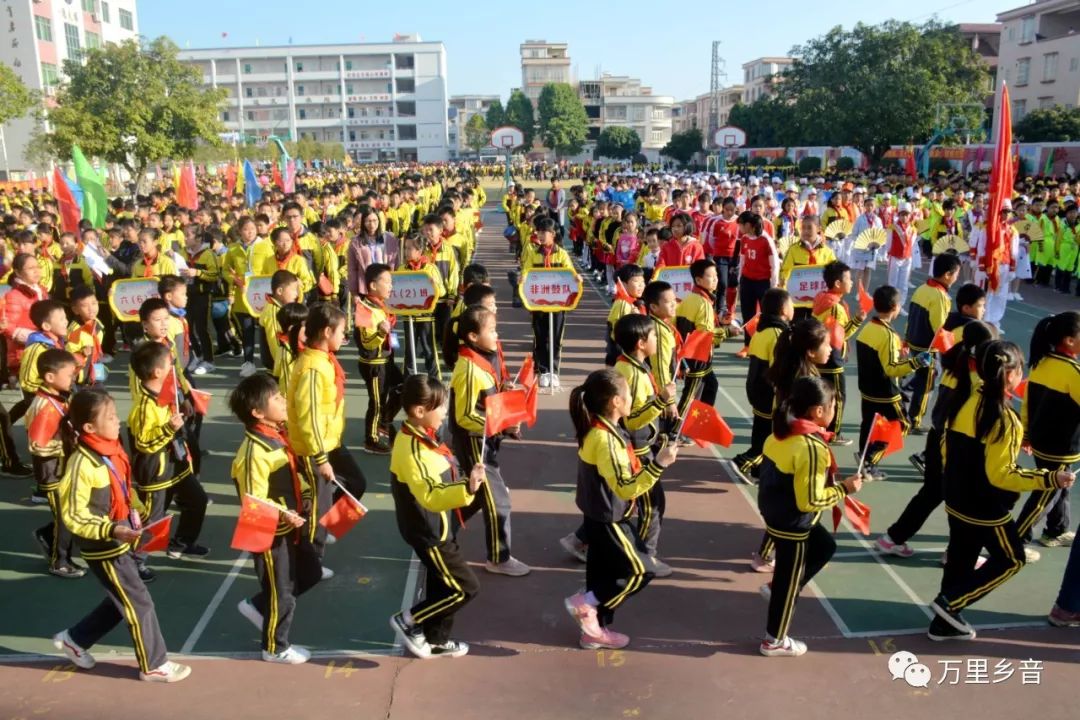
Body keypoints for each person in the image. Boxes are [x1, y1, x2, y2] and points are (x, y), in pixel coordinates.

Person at [930, 340, 1075, 641]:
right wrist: (1050, 478)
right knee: (1012, 558)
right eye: (1020, 368)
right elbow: (1003, 475)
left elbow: (946, 448)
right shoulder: (1005, 419)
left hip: (955, 495)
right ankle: (950, 604)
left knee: (962, 555)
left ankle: (943, 624)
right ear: (1010, 374)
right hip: (984, 506)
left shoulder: (964, 400)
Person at [53, 388, 192, 682]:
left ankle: (76, 639)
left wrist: (137, 512)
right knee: (138, 600)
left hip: (120, 533)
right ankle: (154, 664)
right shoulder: (82, 463)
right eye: (111, 417)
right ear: (89, 427)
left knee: (124, 598)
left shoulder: (112, 450)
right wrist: (112, 528)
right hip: (103, 543)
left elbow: (125, 490)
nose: (119, 421)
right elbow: (74, 515)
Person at [564, 367, 679, 650]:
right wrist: (658, 464)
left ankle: (594, 630)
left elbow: (637, 419)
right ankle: (586, 605)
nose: (632, 399)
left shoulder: (605, 426)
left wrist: (662, 401)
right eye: (628, 395)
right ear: (616, 401)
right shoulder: (605, 439)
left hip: (600, 514)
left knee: (601, 575)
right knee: (641, 571)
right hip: (610, 518)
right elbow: (626, 487)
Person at [757, 376, 863, 656]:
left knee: (824, 545)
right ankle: (774, 640)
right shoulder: (811, 448)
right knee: (786, 585)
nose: (835, 411)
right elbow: (810, 501)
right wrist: (845, 488)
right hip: (792, 522)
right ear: (818, 411)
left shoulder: (781, 432)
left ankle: (784, 584)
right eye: (832, 406)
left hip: (775, 512)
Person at [877, 321, 996, 559]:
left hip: (936, 437)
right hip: (957, 444)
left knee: (931, 493)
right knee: (964, 500)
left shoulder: (954, 366)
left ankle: (893, 538)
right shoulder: (978, 380)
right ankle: (955, 553)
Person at [389, 374, 484, 660]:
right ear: (419, 412)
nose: (445, 412)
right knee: (464, 588)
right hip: (430, 532)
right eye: (441, 407)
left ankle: (436, 639)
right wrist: (467, 489)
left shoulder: (424, 435)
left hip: (442, 525)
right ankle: (408, 620)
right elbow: (430, 495)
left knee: (442, 582)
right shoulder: (412, 450)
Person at [229, 373, 319, 664]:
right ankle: (275, 647)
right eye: (276, 398)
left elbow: (293, 476)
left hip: (290, 526)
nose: (283, 401)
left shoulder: (277, 437)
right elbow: (253, 501)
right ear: (257, 412)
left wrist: (305, 495)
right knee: (281, 591)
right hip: (270, 534)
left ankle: (258, 607)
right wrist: (284, 515)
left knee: (310, 573)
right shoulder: (255, 450)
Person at [449, 305, 529, 576]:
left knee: (476, 495)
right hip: (474, 440)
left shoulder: (480, 361)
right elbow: (464, 415)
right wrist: (501, 423)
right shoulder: (469, 369)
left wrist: (505, 397)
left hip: (485, 437)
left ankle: (440, 530)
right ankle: (498, 557)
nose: (497, 335)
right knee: (498, 500)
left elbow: (486, 402)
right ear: (472, 336)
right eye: (492, 330)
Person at [289, 303, 366, 576]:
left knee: (357, 484)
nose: (344, 338)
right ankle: (311, 564)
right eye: (342, 332)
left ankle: (329, 527)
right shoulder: (312, 367)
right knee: (316, 508)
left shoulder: (325, 361)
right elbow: (307, 416)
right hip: (314, 448)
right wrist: (319, 458)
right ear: (326, 331)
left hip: (330, 441)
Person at [128, 341, 208, 568]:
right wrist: (169, 429)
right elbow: (144, 443)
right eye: (169, 364)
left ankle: (182, 542)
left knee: (197, 500)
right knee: (153, 519)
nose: (173, 366)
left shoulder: (164, 394)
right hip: (156, 471)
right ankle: (136, 562)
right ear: (156, 372)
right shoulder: (144, 407)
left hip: (175, 463)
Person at [1016, 311, 1080, 549]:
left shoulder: (1042, 362)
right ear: (1069, 340)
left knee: (1061, 486)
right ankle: (1017, 539)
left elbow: (1027, 402)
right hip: (1061, 446)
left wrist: (1025, 434)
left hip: (1041, 439)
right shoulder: (1073, 373)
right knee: (1048, 492)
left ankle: (1057, 529)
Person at [855, 286, 930, 481]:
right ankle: (870, 459)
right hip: (886, 391)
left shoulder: (869, 328)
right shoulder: (888, 335)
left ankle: (864, 457)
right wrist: (916, 362)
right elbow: (891, 369)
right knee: (902, 425)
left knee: (869, 425)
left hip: (867, 388)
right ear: (895, 307)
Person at [732, 288, 795, 482]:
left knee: (760, 430)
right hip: (769, 393)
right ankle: (744, 462)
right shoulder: (778, 334)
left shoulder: (762, 331)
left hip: (757, 389)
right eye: (791, 303)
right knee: (769, 436)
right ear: (784, 309)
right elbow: (778, 369)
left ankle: (759, 470)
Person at [28, 349, 79, 577]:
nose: (73, 379)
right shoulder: (44, 406)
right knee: (64, 517)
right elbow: (37, 446)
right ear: (50, 378)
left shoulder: (59, 397)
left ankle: (48, 535)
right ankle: (60, 562)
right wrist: (65, 445)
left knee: (68, 514)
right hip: (52, 471)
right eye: (69, 375)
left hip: (63, 468)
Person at [904, 253, 961, 433]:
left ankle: (906, 393)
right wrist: (950, 348)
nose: (957, 277)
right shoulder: (940, 296)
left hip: (914, 341)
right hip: (928, 347)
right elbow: (939, 327)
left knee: (920, 377)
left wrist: (907, 337)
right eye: (956, 273)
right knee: (927, 382)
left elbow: (912, 315)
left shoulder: (922, 288)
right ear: (947, 275)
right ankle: (915, 419)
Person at [811, 261, 864, 444]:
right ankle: (834, 432)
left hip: (819, 356)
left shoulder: (821, 298)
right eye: (848, 279)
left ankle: (818, 427)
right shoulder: (837, 307)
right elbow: (839, 336)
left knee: (819, 394)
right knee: (838, 397)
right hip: (833, 359)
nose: (851, 282)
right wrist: (857, 320)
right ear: (838, 284)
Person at [355, 264, 404, 454]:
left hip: (386, 359)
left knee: (402, 388)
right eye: (387, 282)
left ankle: (384, 422)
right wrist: (381, 333)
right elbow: (367, 342)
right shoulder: (364, 308)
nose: (391, 286)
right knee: (376, 402)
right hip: (373, 364)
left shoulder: (382, 305)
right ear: (373, 286)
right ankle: (371, 439)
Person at [521, 216, 574, 387]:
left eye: (544, 232)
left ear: (552, 234)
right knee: (540, 335)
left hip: (558, 304)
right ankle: (543, 370)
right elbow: (527, 272)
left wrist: (576, 277)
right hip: (538, 303)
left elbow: (570, 274)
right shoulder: (534, 254)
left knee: (556, 337)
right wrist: (522, 279)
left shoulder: (562, 254)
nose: (540, 235)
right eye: (539, 232)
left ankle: (554, 370)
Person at [674, 259, 727, 418]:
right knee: (691, 394)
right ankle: (675, 429)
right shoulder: (703, 303)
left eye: (716, 275)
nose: (716, 279)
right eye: (711, 276)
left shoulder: (690, 297)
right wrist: (728, 332)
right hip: (697, 355)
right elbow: (706, 335)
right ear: (698, 280)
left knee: (711, 386)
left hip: (694, 353)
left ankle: (698, 423)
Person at [398, 234, 445, 379]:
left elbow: (442, 291)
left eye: (410, 248)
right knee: (409, 350)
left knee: (429, 348)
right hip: (408, 316)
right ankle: (408, 379)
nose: (406, 251)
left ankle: (435, 379)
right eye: (405, 248)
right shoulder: (401, 269)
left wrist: (433, 285)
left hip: (426, 317)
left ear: (420, 251)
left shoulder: (430, 269)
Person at [258, 270, 301, 372]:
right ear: (280, 291)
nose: (297, 294)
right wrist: (286, 369)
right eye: (294, 290)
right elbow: (276, 345)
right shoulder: (273, 312)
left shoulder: (280, 308)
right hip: (280, 370)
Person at [65, 286, 106, 389]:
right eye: (85, 306)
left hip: (95, 369)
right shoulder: (75, 331)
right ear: (75, 310)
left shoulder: (96, 322)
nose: (91, 309)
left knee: (101, 398)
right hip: (80, 378)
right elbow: (67, 356)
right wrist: (81, 353)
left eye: (94, 303)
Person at [605, 264, 645, 366]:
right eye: (636, 282)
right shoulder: (623, 304)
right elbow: (619, 333)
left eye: (643, 282)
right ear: (624, 284)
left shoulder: (633, 302)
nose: (641, 285)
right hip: (622, 355)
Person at [886, 203, 918, 310]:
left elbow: (912, 244)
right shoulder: (892, 227)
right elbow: (888, 242)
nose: (904, 217)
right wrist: (888, 253)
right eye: (902, 214)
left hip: (907, 259)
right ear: (898, 215)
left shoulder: (913, 229)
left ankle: (900, 305)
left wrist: (909, 256)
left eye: (906, 215)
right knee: (892, 282)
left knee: (903, 284)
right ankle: (890, 305)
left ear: (910, 215)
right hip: (895, 257)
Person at [273, 302, 308, 399]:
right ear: (292, 329)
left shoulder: (299, 346)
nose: (308, 329)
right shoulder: (286, 354)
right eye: (305, 325)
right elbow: (287, 388)